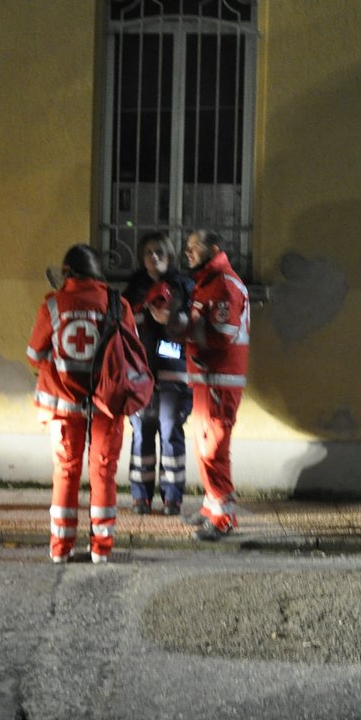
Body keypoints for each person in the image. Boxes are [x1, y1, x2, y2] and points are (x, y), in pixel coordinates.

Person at [26, 244, 139, 564]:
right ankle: (101, 549)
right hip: (107, 402)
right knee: (103, 472)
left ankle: (60, 548)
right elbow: (130, 353)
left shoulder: (53, 304)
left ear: (67, 273)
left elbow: (34, 355)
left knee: (66, 471)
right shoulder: (118, 304)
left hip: (62, 402)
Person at [182, 229, 250, 541]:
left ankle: (224, 518)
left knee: (214, 450)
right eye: (187, 247)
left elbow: (222, 334)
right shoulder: (208, 283)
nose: (188, 252)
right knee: (203, 447)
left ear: (214, 248)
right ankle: (212, 506)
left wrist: (184, 330)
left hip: (218, 380)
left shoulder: (223, 284)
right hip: (206, 378)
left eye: (194, 246)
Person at [121, 232, 194, 516]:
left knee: (171, 434)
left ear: (170, 257)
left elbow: (194, 328)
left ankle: (173, 498)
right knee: (141, 435)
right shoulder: (132, 292)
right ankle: (141, 497)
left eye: (160, 252)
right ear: (142, 258)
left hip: (174, 375)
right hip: (140, 377)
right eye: (149, 252)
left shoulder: (185, 288)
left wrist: (172, 316)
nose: (154, 257)